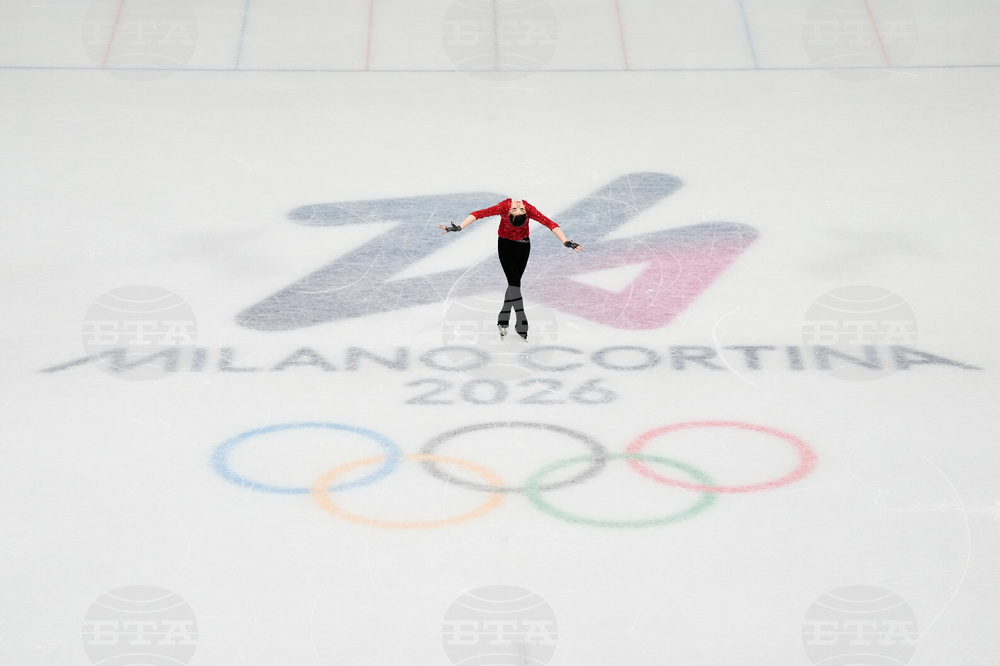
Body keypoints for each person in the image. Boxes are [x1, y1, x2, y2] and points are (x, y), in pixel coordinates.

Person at [440, 198, 581, 340]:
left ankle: (503, 316)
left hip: (523, 247)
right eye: (516, 209)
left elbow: (549, 224)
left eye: (520, 209)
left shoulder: (519, 209)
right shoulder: (504, 207)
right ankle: (521, 320)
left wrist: (566, 242)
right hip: (505, 247)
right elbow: (479, 214)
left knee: (514, 284)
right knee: (515, 284)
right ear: (508, 213)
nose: (519, 206)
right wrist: (460, 227)